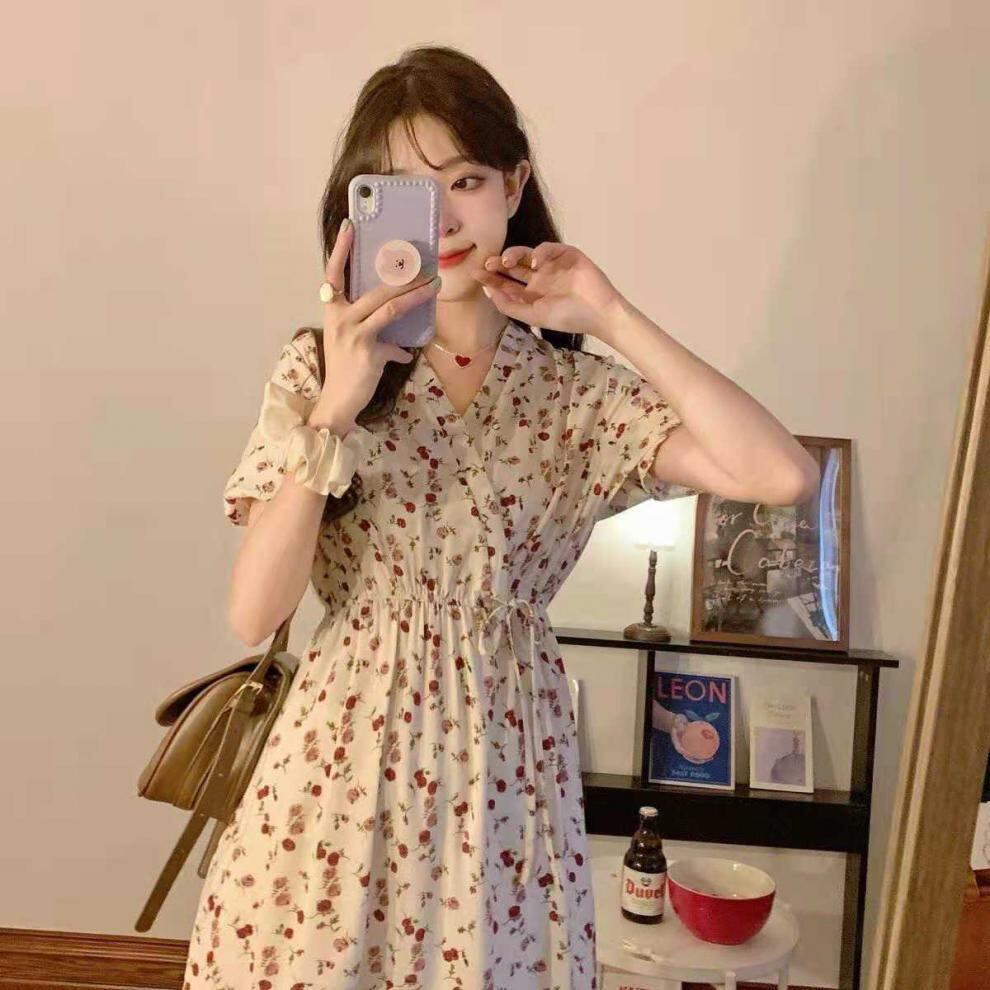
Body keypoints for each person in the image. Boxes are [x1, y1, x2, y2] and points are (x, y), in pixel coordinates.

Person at [184, 44, 819, 990]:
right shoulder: (321, 370)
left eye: (466, 180)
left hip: (505, 777)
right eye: (408, 190)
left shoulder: (575, 396)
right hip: (338, 772)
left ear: (514, 185)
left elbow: (780, 475)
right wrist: (337, 410)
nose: (442, 218)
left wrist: (609, 314)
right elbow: (254, 612)